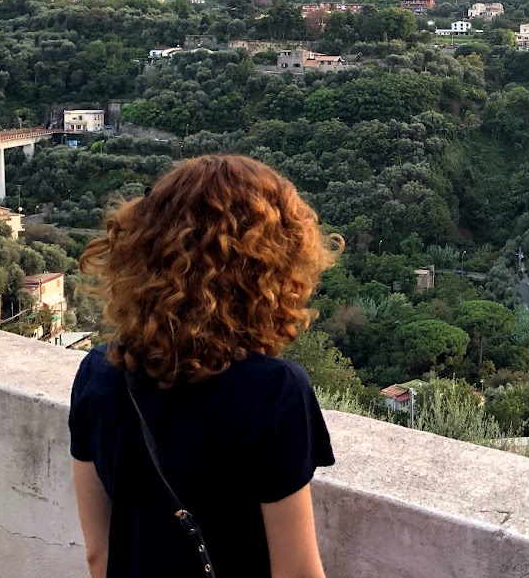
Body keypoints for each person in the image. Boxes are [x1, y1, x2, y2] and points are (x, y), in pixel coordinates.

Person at [69, 155, 342, 578]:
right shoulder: (274, 393)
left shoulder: (97, 374)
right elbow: (298, 571)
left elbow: (98, 555)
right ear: (270, 266)